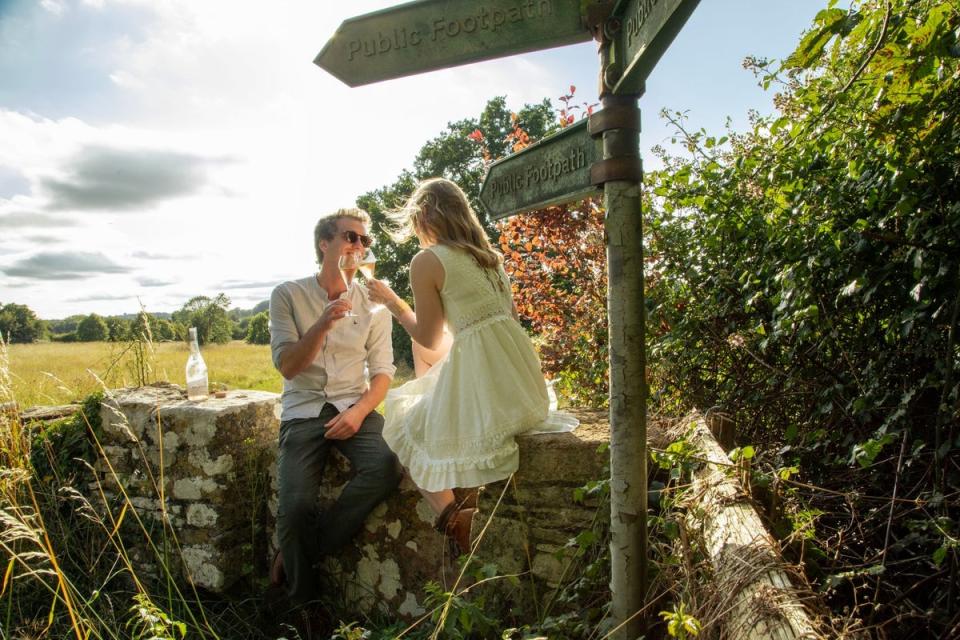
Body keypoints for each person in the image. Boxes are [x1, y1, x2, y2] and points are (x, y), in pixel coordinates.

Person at [366, 177, 575, 555]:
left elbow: (429, 337)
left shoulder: (427, 261)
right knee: (426, 366)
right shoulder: (490, 258)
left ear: (425, 215)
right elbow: (500, 321)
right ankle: (442, 418)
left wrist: (392, 302)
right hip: (522, 384)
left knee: (403, 428)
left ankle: (454, 517)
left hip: (491, 388)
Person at [268, 208, 401, 633]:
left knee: (385, 468)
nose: (358, 247)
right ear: (324, 243)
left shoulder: (375, 307)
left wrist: (360, 411)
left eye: (364, 241)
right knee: (295, 507)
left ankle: (297, 554)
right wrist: (323, 323)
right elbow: (288, 367)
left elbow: (383, 374)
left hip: (353, 407)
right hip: (303, 411)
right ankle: (307, 608)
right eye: (350, 237)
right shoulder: (287, 295)